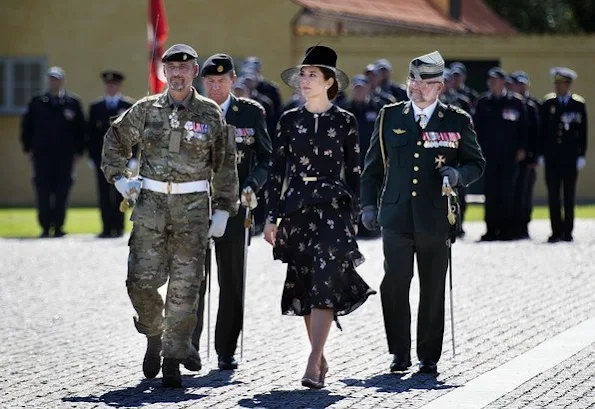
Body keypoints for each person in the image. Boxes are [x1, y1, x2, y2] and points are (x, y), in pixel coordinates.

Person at [101, 44, 239, 388]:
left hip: (192, 209)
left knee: (185, 286)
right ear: (165, 72)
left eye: (185, 68)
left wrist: (223, 209)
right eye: (171, 68)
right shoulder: (146, 109)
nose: (177, 74)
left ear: (194, 72)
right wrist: (119, 178)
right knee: (140, 282)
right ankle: (153, 334)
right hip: (150, 206)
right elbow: (116, 140)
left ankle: (173, 359)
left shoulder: (210, 114)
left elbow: (224, 164)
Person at [360, 51, 485, 375]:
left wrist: (458, 176)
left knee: (432, 287)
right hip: (396, 215)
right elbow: (372, 168)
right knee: (395, 283)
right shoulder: (390, 116)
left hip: (435, 216)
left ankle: (428, 354)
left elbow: (476, 163)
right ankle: (398, 352)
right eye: (413, 80)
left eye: (425, 82)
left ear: (440, 86)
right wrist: (369, 205)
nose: (417, 87)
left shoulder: (456, 119)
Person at [264, 45, 375, 389]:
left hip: (333, 209)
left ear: (329, 81)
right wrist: (271, 217)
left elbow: (355, 172)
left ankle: (312, 363)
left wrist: (355, 213)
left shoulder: (345, 121)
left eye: (313, 74)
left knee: (325, 281)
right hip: (296, 209)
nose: (305, 79)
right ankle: (320, 354)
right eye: (303, 73)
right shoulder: (288, 120)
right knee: (305, 284)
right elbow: (275, 171)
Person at [190, 54, 272, 371]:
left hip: (236, 207)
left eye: (221, 82)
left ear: (232, 82)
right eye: (209, 82)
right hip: (195, 206)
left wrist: (253, 184)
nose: (215, 87)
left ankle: (226, 349)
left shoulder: (250, 113)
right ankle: (189, 345)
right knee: (193, 280)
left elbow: (266, 157)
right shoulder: (190, 112)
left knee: (231, 281)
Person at [20, 66, 85, 238]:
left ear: (62, 81)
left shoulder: (73, 103)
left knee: (62, 191)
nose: (53, 82)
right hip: (42, 155)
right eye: (51, 79)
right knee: (43, 191)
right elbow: (26, 127)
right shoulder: (37, 102)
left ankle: (58, 226)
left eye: (56, 79)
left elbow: (81, 130)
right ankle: (44, 226)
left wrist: (79, 152)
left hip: (65, 156)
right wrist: (27, 149)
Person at [473, 67, 528, 241]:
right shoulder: (483, 103)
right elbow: (476, 129)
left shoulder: (515, 102)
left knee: (507, 192)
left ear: (503, 82)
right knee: (490, 192)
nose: (493, 84)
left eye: (496, 80)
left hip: (509, 155)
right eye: (490, 80)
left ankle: (506, 230)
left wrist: (522, 149)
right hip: (489, 155)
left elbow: (524, 129)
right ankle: (491, 229)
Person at [540, 67, 587, 243]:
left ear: (569, 85)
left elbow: (583, 131)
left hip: (570, 157)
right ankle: (555, 230)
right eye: (556, 84)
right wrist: (541, 153)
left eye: (562, 84)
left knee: (568, 194)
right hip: (552, 157)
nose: (558, 87)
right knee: (553, 195)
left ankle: (568, 230)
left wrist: (581, 154)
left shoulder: (578, 104)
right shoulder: (548, 103)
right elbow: (542, 131)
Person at [87, 70, 135, 238]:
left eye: (114, 84)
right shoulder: (96, 107)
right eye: (108, 84)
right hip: (103, 160)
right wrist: (92, 157)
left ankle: (119, 227)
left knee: (121, 192)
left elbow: (135, 134)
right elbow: (91, 135)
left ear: (119, 85)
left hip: (123, 159)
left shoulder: (129, 106)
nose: (111, 87)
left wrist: (134, 157)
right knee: (103, 194)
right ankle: (106, 227)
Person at [341, 74, 383, 237]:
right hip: (350, 158)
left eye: (362, 88)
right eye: (356, 89)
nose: (359, 92)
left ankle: (372, 226)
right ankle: (352, 226)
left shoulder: (377, 107)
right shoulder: (345, 108)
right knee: (351, 192)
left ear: (368, 89)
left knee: (373, 190)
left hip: (372, 158)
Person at [509, 71, 540, 239]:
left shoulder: (533, 105)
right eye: (515, 84)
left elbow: (537, 134)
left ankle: (523, 227)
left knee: (525, 194)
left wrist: (534, 157)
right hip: (511, 158)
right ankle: (512, 226)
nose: (518, 87)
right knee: (512, 194)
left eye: (521, 84)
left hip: (527, 159)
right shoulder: (511, 104)